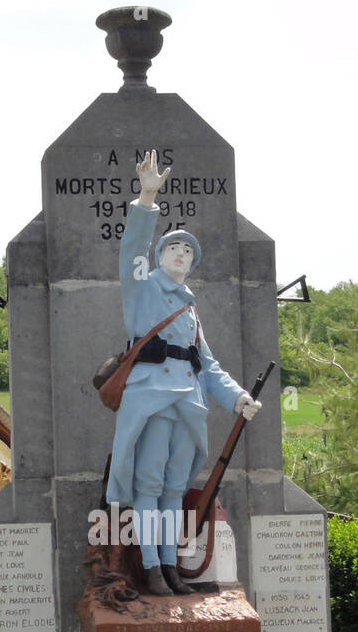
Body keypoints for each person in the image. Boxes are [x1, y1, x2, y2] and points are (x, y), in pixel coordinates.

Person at [106, 150, 261, 596]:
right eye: (174, 248)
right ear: (159, 257)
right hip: (154, 398)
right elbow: (131, 251)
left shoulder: (191, 310)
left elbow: (207, 364)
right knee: (149, 485)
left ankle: (171, 566)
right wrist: (146, 198)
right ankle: (151, 567)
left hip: (188, 403)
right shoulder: (142, 289)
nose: (181, 254)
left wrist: (237, 397)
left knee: (175, 488)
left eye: (188, 251)